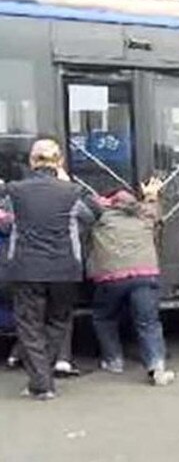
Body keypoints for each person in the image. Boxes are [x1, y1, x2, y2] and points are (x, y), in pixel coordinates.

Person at [0, 139, 99, 400]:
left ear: (32, 162)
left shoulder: (15, 191)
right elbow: (95, 213)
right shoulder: (73, 192)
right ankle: (41, 380)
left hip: (25, 269)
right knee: (58, 322)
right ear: (60, 162)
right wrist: (66, 182)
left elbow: (6, 222)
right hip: (65, 270)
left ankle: (41, 383)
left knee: (29, 326)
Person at [88, 178, 175, 386]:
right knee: (148, 322)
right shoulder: (144, 215)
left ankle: (113, 360)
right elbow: (154, 210)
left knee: (104, 317)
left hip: (111, 277)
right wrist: (151, 195)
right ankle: (156, 367)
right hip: (145, 274)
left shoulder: (99, 217)